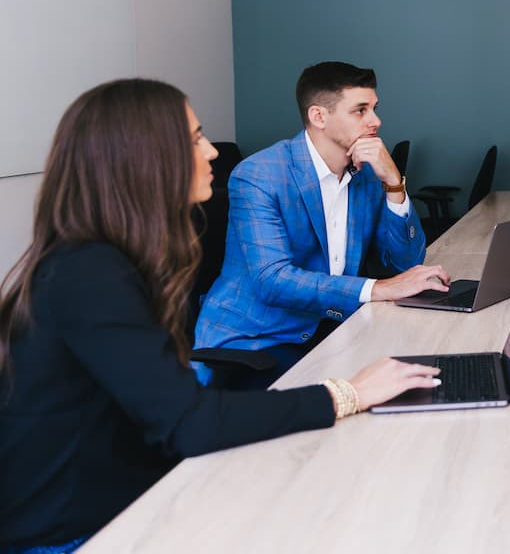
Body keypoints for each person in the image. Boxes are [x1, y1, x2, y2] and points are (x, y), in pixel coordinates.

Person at [0, 79, 441, 554]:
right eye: (194, 139)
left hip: (124, 496)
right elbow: (189, 421)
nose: (211, 151)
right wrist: (351, 393)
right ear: (143, 159)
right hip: (76, 533)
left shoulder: (112, 261)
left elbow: (165, 418)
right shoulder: (89, 274)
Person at [193, 62, 450, 386]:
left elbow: (407, 262)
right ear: (319, 117)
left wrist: (393, 182)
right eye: (360, 110)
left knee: (426, 372)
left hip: (333, 326)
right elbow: (272, 280)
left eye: (374, 108)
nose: (376, 121)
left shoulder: (367, 175)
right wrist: (379, 288)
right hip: (258, 340)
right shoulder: (260, 174)